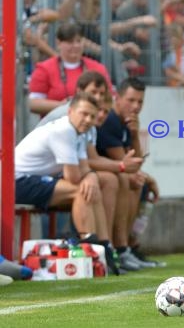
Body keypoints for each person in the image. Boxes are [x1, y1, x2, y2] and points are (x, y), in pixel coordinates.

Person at [15, 92, 118, 274]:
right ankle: (92, 250)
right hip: (15, 182)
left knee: (91, 189)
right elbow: (74, 177)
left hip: (31, 179)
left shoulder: (79, 133)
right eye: (83, 113)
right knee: (81, 190)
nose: (88, 119)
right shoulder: (65, 130)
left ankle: (105, 249)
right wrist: (90, 176)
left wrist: (92, 176)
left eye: (92, 116)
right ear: (70, 111)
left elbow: (85, 168)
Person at [96, 77, 161, 268]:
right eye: (131, 100)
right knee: (131, 181)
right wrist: (146, 177)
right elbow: (127, 164)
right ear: (118, 97)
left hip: (114, 172)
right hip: (103, 176)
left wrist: (134, 135)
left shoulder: (127, 122)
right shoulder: (110, 120)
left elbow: (136, 161)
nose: (136, 106)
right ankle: (119, 249)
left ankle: (130, 247)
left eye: (140, 102)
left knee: (139, 183)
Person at [28, 22, 113, 117]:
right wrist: (63, 106)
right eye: (70, 42)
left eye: (79, 41)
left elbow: (110, 99)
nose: (75, 45)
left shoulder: (98, 68)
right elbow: (33, 103)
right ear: (59, 43)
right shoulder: (44, 69)